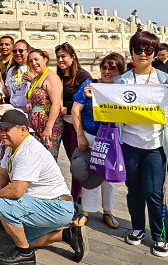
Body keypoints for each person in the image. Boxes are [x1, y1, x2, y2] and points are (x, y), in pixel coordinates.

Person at [0, 109, 84, 265]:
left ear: (23, 130)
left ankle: (24, 253)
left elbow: (17, 190)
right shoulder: (12, 146)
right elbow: (3, 174)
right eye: (1, 130)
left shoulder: (29, 151)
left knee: (3, 206)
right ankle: (67, 234)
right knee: (24, 236)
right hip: (43, 202)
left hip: (57, 206)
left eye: (7, 129)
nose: (2, 133)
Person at [114, 31, 168, 257]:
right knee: (134, 191)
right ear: (131, 52)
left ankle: (161, 236)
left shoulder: (164, 79)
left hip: (156, 145)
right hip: (129, 143)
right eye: (138, 50)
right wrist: (97, 96)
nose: (143, 54)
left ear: (155, 54)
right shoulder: (121, 80)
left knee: (154, 193)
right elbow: (112, 112)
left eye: (148, 51)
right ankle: (138, 227)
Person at [70, 52, 124, 230]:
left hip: (111, 137)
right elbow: (76, 110)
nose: (107, 71)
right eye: (104, 67)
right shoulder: (90, 85)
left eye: (112, 68)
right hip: (90, 134)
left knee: (109, 176)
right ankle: (86, 210)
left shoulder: (122, 88)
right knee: (89, 173)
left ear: (120, 71)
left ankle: (107, 210)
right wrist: (80, 135)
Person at [55, 42, 92, 201]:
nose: (60, 60)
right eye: (58, 57)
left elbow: (88, 102)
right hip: (65, 124)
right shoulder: (61, 75)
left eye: (64, 56)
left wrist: (68, 109)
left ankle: (77, 196)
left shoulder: (83, 76)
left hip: (77, 124)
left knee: (77, 162)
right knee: (72, 159)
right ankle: (79, 194)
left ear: (73, 56)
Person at [25, 49, 64, 157]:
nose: (33, 63)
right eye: (30, 61)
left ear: (45, 59)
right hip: (36, 128)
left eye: (36, 59)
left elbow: (56, 104)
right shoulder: (36, 79)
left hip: (50, 127)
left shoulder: (52, 78)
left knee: (48, 159)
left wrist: (48, 128)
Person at [4, 40, 33, 111]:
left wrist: (33, 81)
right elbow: (8, 92)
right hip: (14, 109)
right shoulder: (11, 70)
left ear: (28, 51)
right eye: (14, 51)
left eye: (21, 51)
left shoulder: (34, 68)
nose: (17, 53)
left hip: (31, 110)